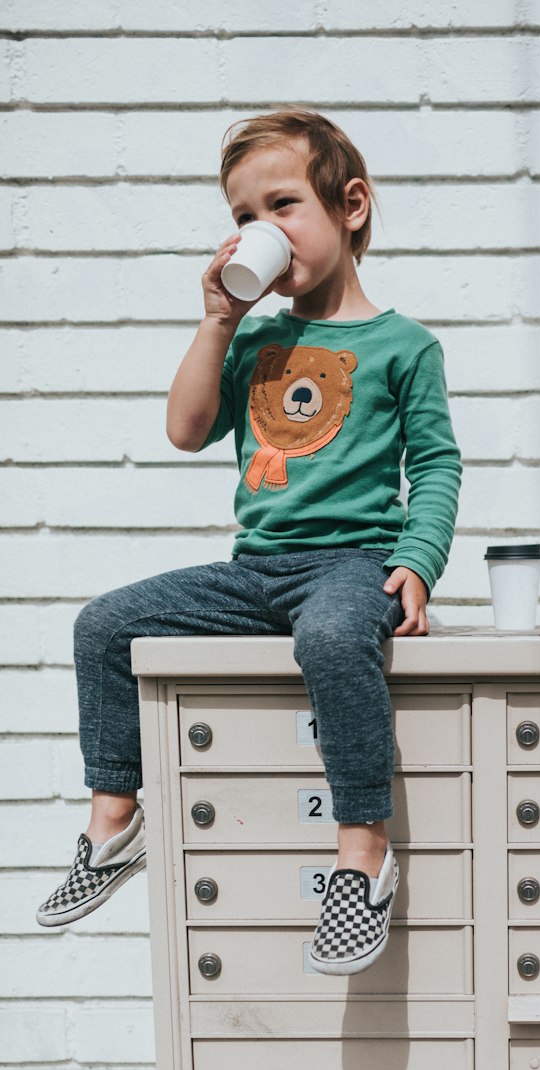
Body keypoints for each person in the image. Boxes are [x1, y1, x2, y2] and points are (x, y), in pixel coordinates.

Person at [36, 110, 462, 975]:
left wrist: (416, 563)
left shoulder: (402, 346)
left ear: (350, 206)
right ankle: (114, 823)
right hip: (256, 570)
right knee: (103, 624)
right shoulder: (256, 337)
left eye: (281, 206)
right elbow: (186, 430)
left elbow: (440, 465)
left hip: (348, 566)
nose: (260, 230)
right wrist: (218, 321)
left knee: (334, 638)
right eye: (242, 217)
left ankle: (361, 854)